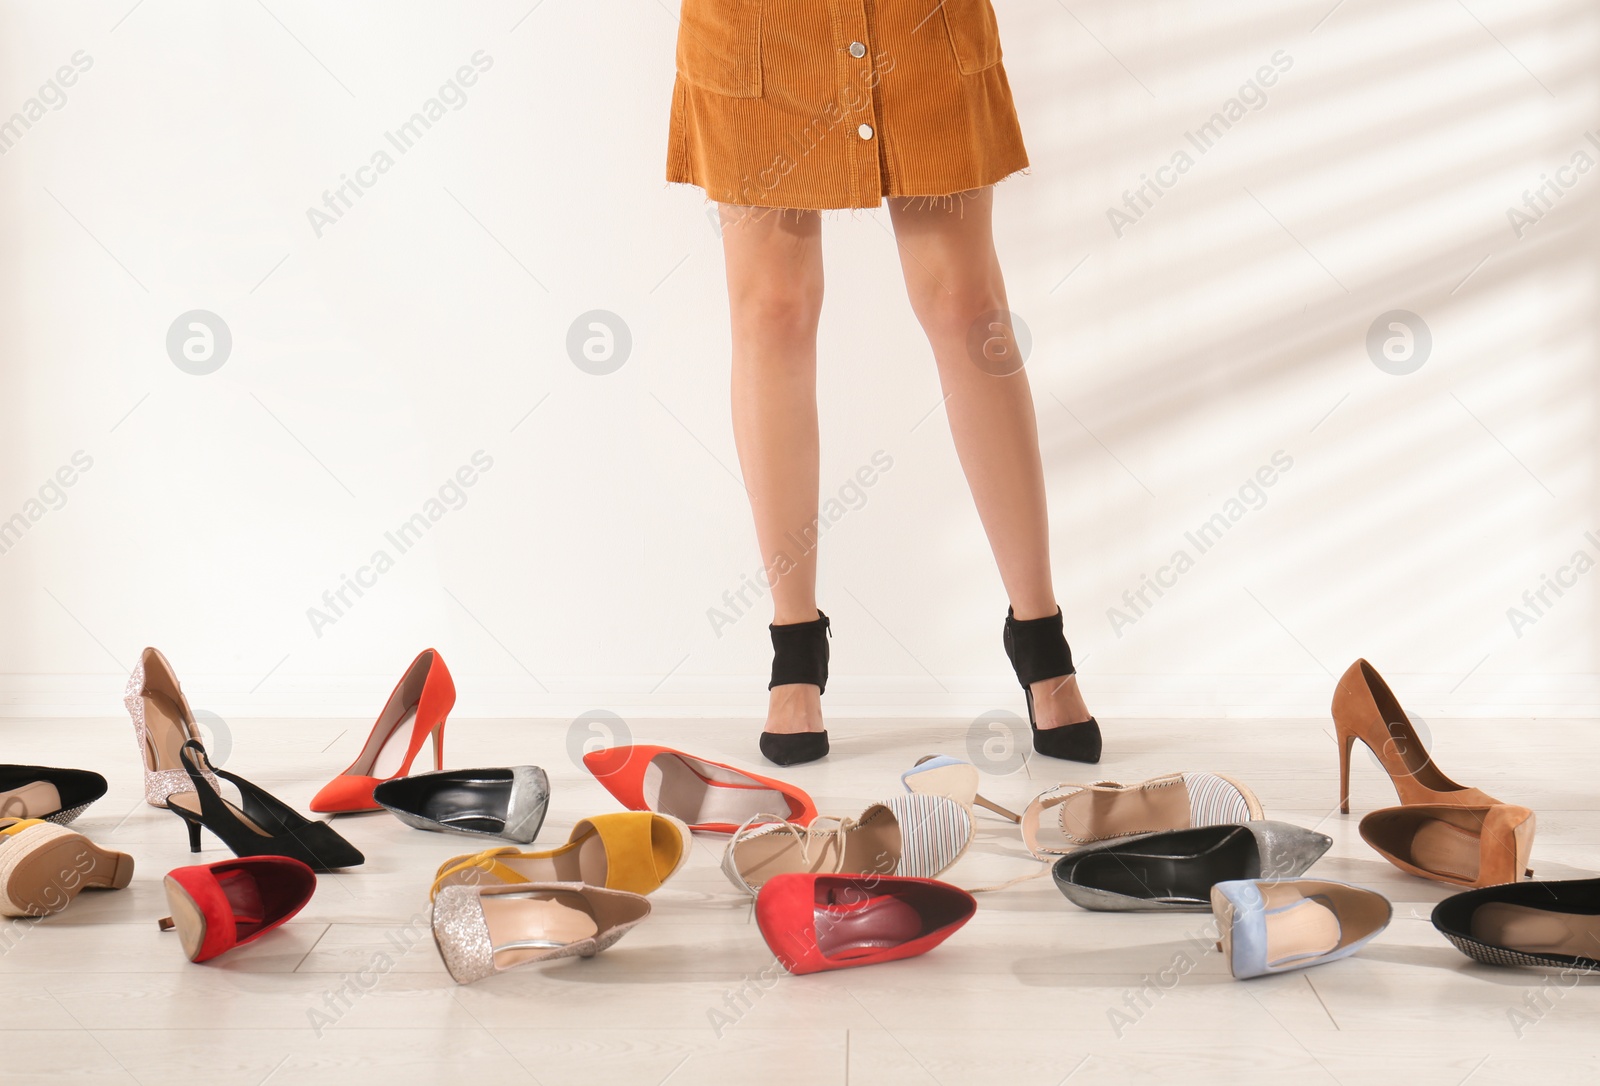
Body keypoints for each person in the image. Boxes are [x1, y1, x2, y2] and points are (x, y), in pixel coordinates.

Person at [667, 0, 1100, 766]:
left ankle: (1040, 637)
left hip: (918, 22)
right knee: (773, 310)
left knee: (970, 311)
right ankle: (794, 649)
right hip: (760, 29)